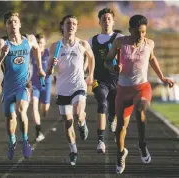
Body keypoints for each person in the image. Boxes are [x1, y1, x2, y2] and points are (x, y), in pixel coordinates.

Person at [104, 14, 174, 174]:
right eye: (137, 32)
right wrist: (113, 68)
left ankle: (142, 145)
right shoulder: (120, 43)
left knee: (141, 108)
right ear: (130, 31)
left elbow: (152, 58)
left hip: (141, 87)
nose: (141, 36)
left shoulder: (149, 43)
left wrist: (162, 77)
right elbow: (107, 61)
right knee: (120, 128)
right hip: (123, 90)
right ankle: (121, 153)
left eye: (143, 32)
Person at [0, 11, 46, 160]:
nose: (13, 24)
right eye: (9, 22)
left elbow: (37, 50)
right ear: (6, 26)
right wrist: (2, 55)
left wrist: (39, 68)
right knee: (10, 117)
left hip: (24, 84)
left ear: (19, 24)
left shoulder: (29, 39)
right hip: (8, 86)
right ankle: (12, 142)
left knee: (22, 109)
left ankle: (25, 141)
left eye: (15, 21)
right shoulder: (1, 43)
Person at [47, 15, 95, 166]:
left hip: (78, 86)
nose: (71, 26)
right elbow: (48, 71)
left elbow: (92, 57)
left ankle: (82, 123)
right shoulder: (55, 46)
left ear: (77, 27)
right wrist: (51, 66)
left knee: (78, 113)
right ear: (62, 26)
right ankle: (73, 150)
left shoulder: (82, 44)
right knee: (68, 123)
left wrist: (91, 75)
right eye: (68, 23)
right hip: (62, 89)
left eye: (74, 23)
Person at [88, 8, 123, 153]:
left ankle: (111, 118)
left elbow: (128, 55)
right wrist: (87, 74)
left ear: (113, 21)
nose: (106, 21)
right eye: (104, 19)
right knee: (102, 101)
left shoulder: (120, 37)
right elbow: (87, 59)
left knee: (114, 108)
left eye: (109, 19)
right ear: (99, 22)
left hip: (117, 80)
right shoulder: (92, 40)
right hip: (99, 79)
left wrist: (122, 65)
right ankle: (101, 141)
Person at [30, 33, 52, 142]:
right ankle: (38, 131)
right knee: (34, 105)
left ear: (44, 43)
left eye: (41, 43)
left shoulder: (48, 53)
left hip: (46, 84)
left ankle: (43, 110)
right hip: (34, 84)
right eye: (37, 43)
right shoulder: (31, 53)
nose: (39, 45)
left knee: (44, 109)